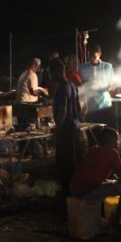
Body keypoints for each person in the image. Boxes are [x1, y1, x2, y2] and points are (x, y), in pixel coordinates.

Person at [70, 127, 121, 230]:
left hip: (75, 189)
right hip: (87, 192)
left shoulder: (93, 149)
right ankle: (115, 222)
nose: (118, 142)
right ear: (111, 140)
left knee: (107, 183)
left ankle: (102, 215)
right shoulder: (112, 152)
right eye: (116, 140)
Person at [51, 58, 82, 196]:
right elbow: (79, 108)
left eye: (51, 72)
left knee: (64, 163)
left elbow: (62, 111)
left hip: (65, 131)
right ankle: (75, 189)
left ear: (57, 71)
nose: (50, 75)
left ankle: (66, 193)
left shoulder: (61, 89)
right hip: (75, 128)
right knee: (74, 161)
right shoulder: (72, 86)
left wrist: (56, 128)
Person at [79, 45, 115, 124]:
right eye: (90, 56)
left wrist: (107, 87)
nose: (92, 58)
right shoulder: (82, 68)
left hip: (105, 105)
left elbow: (111, 84)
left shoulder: (107, 67)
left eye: (94, 56)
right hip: (90, 107)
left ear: (99, 54)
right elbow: (80, 86)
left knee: (107, 133)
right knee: (93, 134)